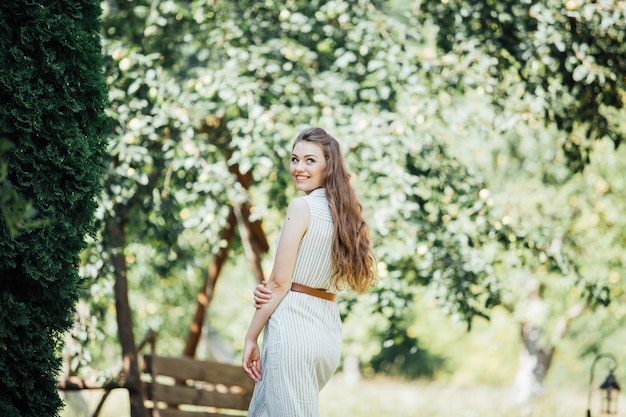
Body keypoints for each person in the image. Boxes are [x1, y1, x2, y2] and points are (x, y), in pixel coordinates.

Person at [242, 127, 375, 417]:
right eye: (294, 159)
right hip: (326, 333)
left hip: (292, 330)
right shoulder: (346, 215)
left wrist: (251, 338)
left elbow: (279, 282)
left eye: (310, 160)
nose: (298, 168)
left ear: (329, 166)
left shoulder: (301, 207)